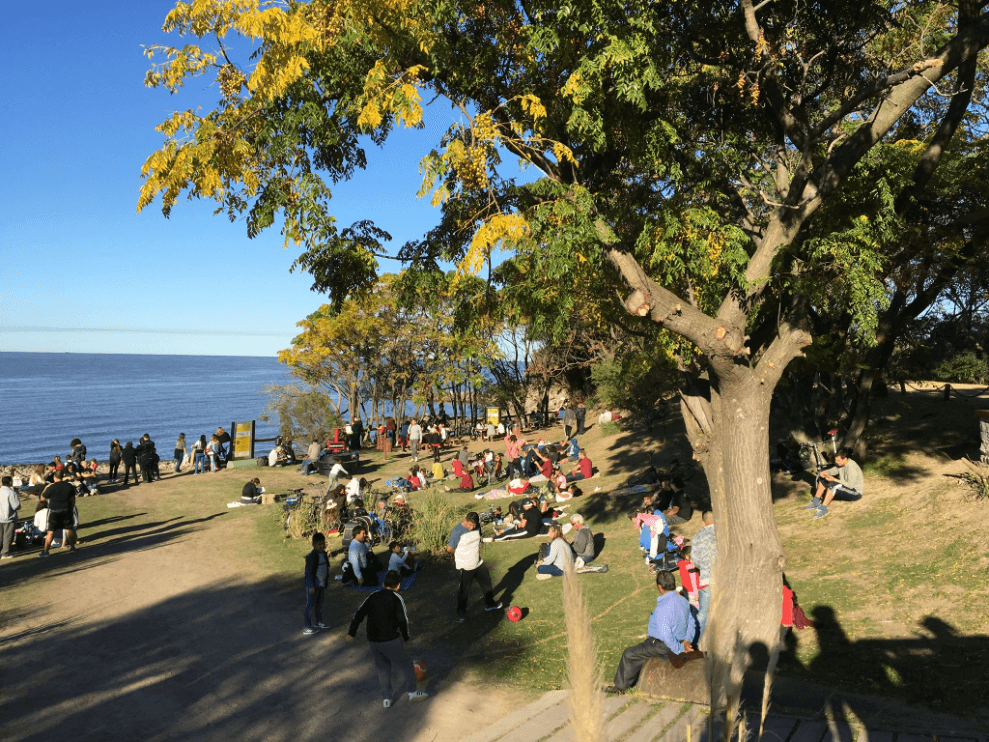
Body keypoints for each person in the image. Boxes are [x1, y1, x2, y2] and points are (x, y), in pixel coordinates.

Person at [346, 570, 429, 706]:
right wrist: (406, 635)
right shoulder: (397, 598)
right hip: (390, 640)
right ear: (398, 586)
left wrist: (351, 632)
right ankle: (412, 693)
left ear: (383, 584)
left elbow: (359, 614)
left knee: (383, 668)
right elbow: (403, 620)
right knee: (406, 663)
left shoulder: (372, 596)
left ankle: (387, 699)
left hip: (373, 641)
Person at [604, 570, 695, 694]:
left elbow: (666, 635)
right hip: (678, 641)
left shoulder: (663, 607)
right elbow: (691, 623)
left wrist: (679, 649)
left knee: (629, 654)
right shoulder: (683, 601)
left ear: (659, 587)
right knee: (643, 649)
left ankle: (620, 687)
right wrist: (687, 641)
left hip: (663, 645)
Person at [447, 512, 502, 620]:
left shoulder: (477, 527)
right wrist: (462, 552)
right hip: (466, 565)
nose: (473, 527)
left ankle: (489, 604)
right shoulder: (457, 531)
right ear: (465, 520)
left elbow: (478, 539)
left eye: (475, 525)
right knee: (464, 590)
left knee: (487, 583)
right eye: (471, 525)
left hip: (478, 562)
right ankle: (461, 611)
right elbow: (449, 549)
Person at [806, 447, 864, 519]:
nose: (837, 462)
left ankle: (823, 509)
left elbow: (850, 485)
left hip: (855, 492)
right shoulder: (841, 464)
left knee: (833, 485)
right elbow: (835, 469)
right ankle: (816, 501)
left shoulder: (852, 467)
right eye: (836, 460)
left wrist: (834, 479)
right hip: (846, 487)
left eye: (838, 460)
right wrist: (825, 472)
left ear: (845, 459)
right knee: (823, 479)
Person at [38, 472, 77, 557]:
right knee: (68, 529)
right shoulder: (68, 486)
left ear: (55, 477)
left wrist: (46, 488)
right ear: (63, 476)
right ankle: (72, 547)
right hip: (66, 509)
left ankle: (46, 551)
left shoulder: (51, 487)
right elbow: (73, 499)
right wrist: (71, 507)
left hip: (54, 511)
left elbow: (42, 499)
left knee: (50, 532)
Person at [691, 510, 717, 640]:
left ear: (703, 521)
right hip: (725, 579)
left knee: (703, 615)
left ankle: (697, 643)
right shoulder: (723, 532)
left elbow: (695, 560)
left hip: (706, 579)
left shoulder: (698, 536)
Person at [303, 532, 330, 634]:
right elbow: (308, 573)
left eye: (323, 544)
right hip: (313, 586)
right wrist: (311, 586)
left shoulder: (323, 554)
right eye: (319, 544)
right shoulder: (311, 557)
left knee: (319, 604)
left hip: (321, 585)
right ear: (313, 545)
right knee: (310, 605)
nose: (322, 546)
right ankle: (307, 626)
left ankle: (318, 622)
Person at [1, 476, 22, 560]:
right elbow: (16, 506)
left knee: (0, 536)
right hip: (8, 517)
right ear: (10, 482)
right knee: (8, 536)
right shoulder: (11, 492)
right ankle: (5, 553)